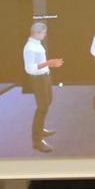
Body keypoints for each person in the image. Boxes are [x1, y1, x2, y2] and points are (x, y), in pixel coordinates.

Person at [23, 23, 64, 154]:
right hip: (38, 80)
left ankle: (40, 130)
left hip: (45, 77)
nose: (45, 35)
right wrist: (49, 63)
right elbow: (29, 68)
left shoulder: (37, 43)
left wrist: (48, 66)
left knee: (48, 102)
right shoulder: (30, 48)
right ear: (37, 33)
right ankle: (37, 141)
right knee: (42, 108)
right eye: (44, 32)